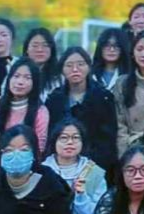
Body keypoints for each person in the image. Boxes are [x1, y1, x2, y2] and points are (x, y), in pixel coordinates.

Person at [47, 46, 118, 174]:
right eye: (69, 65)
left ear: (89, 67)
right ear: (62, 69)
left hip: (96, 165)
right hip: (60, 164)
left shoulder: (104, 97)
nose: (75, 69)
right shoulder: (54, 99)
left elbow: (108, 139)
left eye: (80, 64)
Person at [0, 58, 50, 154]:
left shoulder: (40, 111)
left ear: (35, 83)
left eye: (27, 78)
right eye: (16, 76)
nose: (20, 82)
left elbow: (39, 148)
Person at [21, 27, 62, 102]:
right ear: (27, 49)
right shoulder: (16, 73)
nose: (40, 50)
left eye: (45, 45)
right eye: (35, 46)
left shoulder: (60, 77)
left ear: (51, 49)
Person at [92, 27, 132, 93]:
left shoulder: (130, 76)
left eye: (116, 45)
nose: (112, 49)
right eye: (107, 45)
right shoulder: (91, 75)